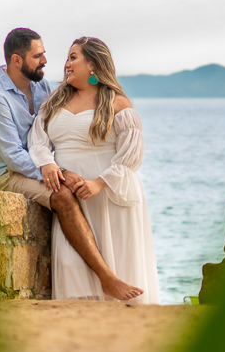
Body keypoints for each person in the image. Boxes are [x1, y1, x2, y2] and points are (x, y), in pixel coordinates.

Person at [0, 28, 143, 301]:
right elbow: (13, 156)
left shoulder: (41, 85)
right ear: (17, 60)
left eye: (45, 54)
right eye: (38, 56)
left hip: (41, 168)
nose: (45, 61)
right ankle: (106, 278)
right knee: (63, 196)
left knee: (68, 190)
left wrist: (60, 167)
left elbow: (48, 130)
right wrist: (58, 173)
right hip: (6, 173)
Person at [28, 37, 159, 304]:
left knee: (120, 262)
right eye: (67, 57)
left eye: (73, 57)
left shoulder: (117, 103)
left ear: (93, 64)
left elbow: (131, 154)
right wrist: (48, 163)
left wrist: (99, 183)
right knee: (72, 264)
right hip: (71, 195)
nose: (66, 64)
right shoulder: (54, 102)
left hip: (109, 194)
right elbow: (37, 140)